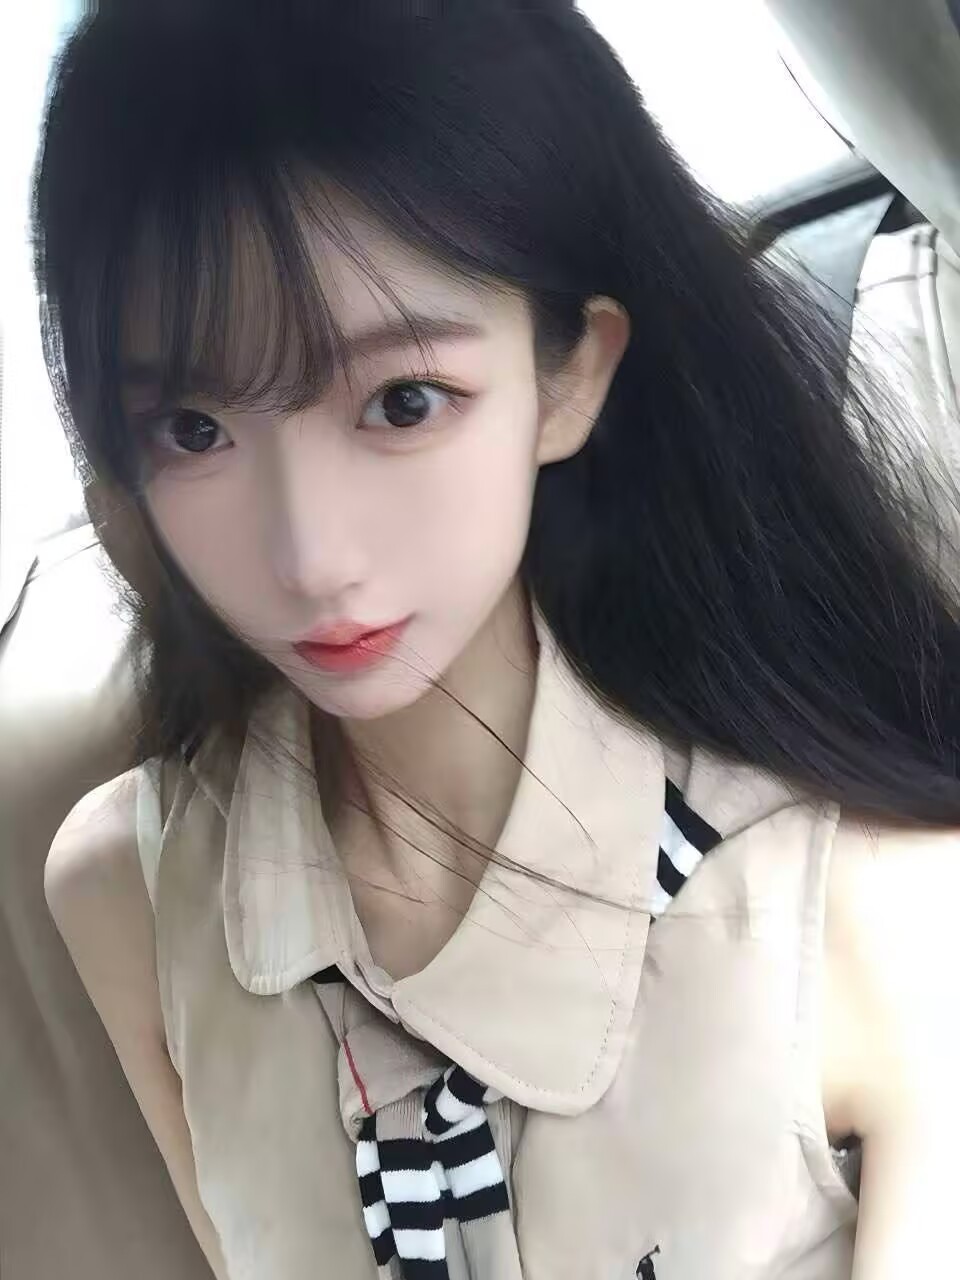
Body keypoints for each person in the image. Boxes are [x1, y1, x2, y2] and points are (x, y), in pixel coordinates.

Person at [34, 2, 960, 1277]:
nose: (309, 555)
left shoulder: (873, 900)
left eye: (404, 400)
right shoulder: (129, 896)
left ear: (570, 376)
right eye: (195, 430)